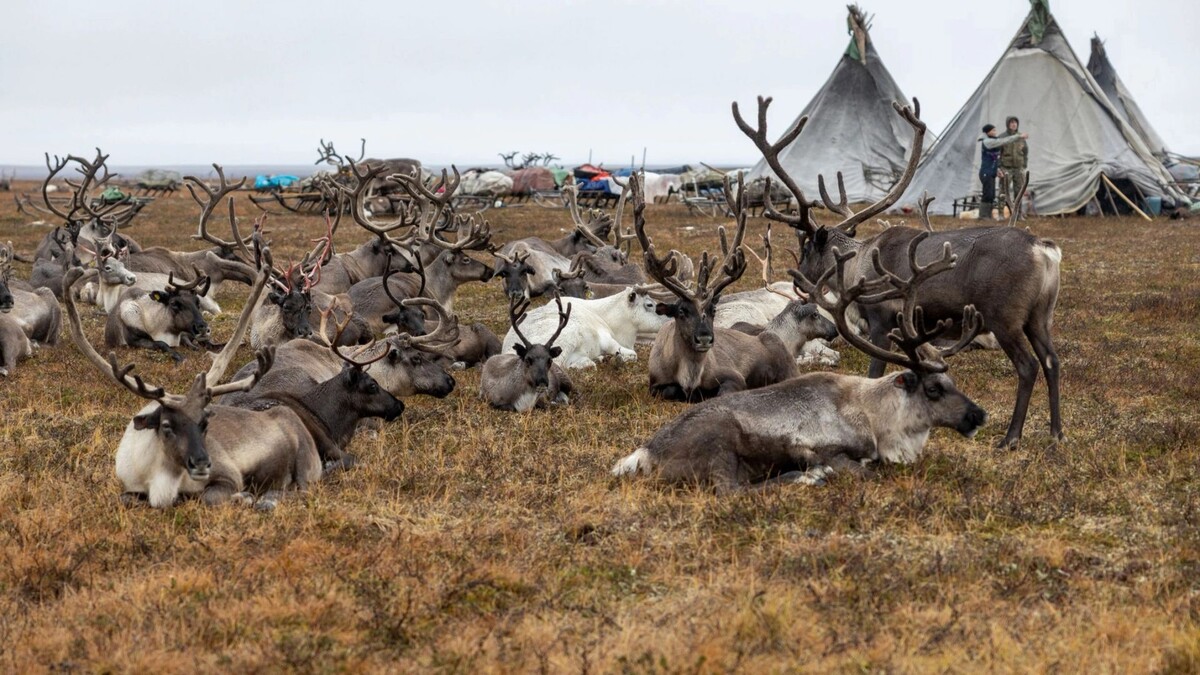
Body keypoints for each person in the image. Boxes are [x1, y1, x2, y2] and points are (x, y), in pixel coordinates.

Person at [978, 123, 1025, 220]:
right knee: (987, 193)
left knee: (991, 194)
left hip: (991, 172)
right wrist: (1018, 136)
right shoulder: (988, 142)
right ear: (988, 132)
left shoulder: (992, 141)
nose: (995, 132)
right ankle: (983, 215)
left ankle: (988, 215)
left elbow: (995, 158)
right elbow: (1002, 141)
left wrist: (998, 170)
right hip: (986, 172)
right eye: (993, 130)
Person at [999, 116, 1029, 217]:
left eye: (1015, 122)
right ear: (1008, 124)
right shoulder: (1002, 137)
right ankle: (1000, 213)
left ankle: (1018, 214)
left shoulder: (1021, 137)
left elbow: (1025, 152)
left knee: (1019, 191)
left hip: (1018, 168)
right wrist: (999, 167)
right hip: (1006, 168)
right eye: (1011, 122)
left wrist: (1024, 165)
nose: (1014, 124)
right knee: (1003, 191)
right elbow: (998, 153)